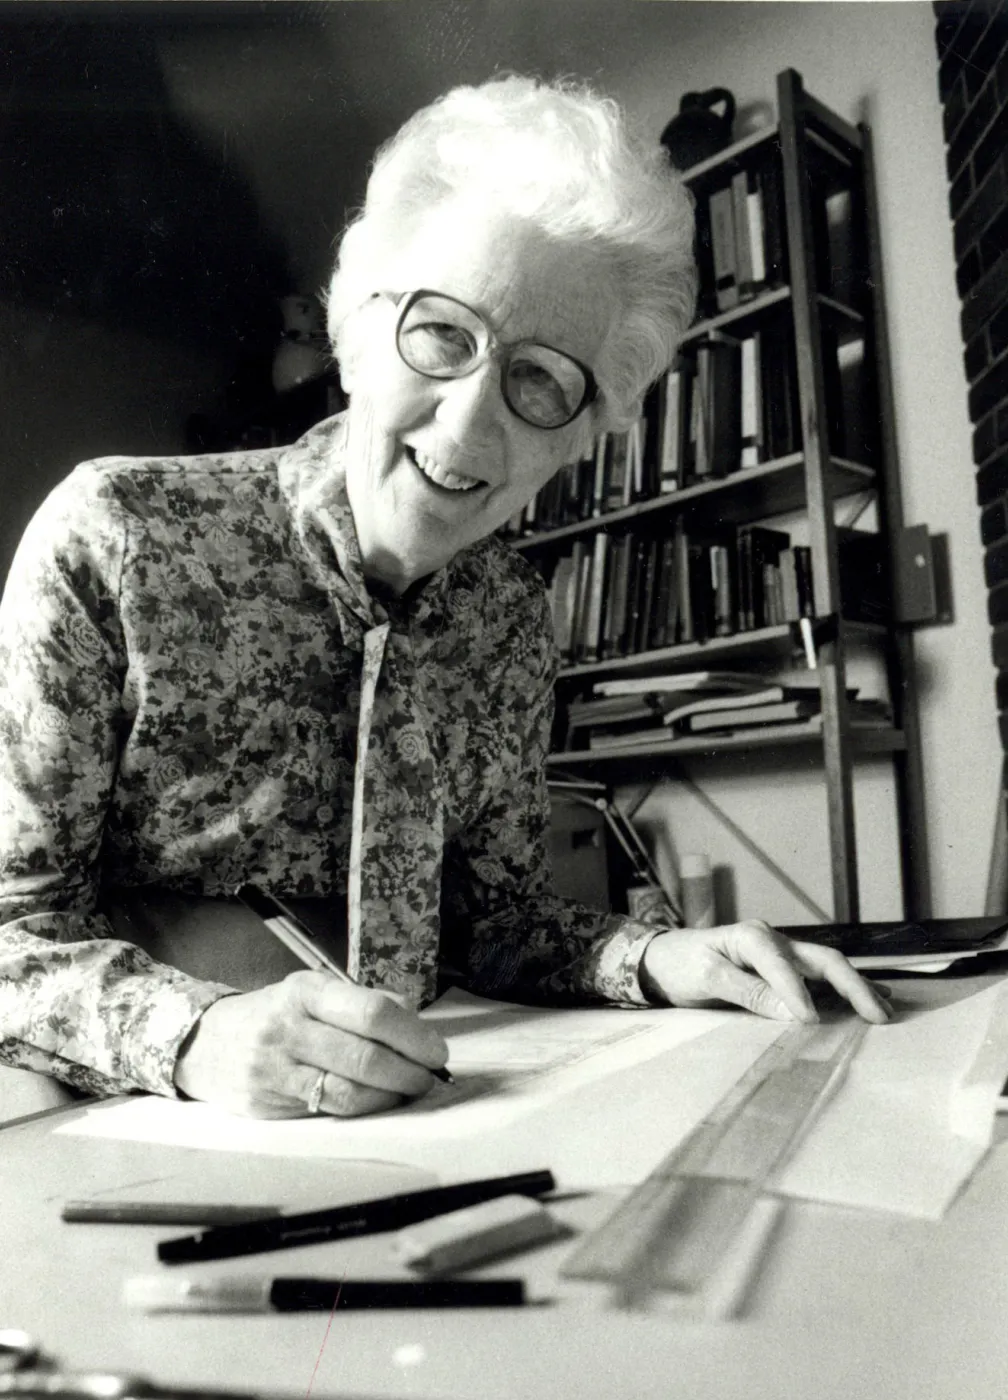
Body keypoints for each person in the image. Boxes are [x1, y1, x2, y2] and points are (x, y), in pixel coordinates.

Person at [0, 75, 888, 1123]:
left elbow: (494, 923)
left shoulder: (510, 619)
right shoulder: (113, 534)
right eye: (443, 334)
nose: (467, 430)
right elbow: (13, 928)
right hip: (129, 1125)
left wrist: (662, 957)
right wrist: (194, 1037)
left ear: (578, 438)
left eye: (542, 382)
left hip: (424, 1116)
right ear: (359, 325)